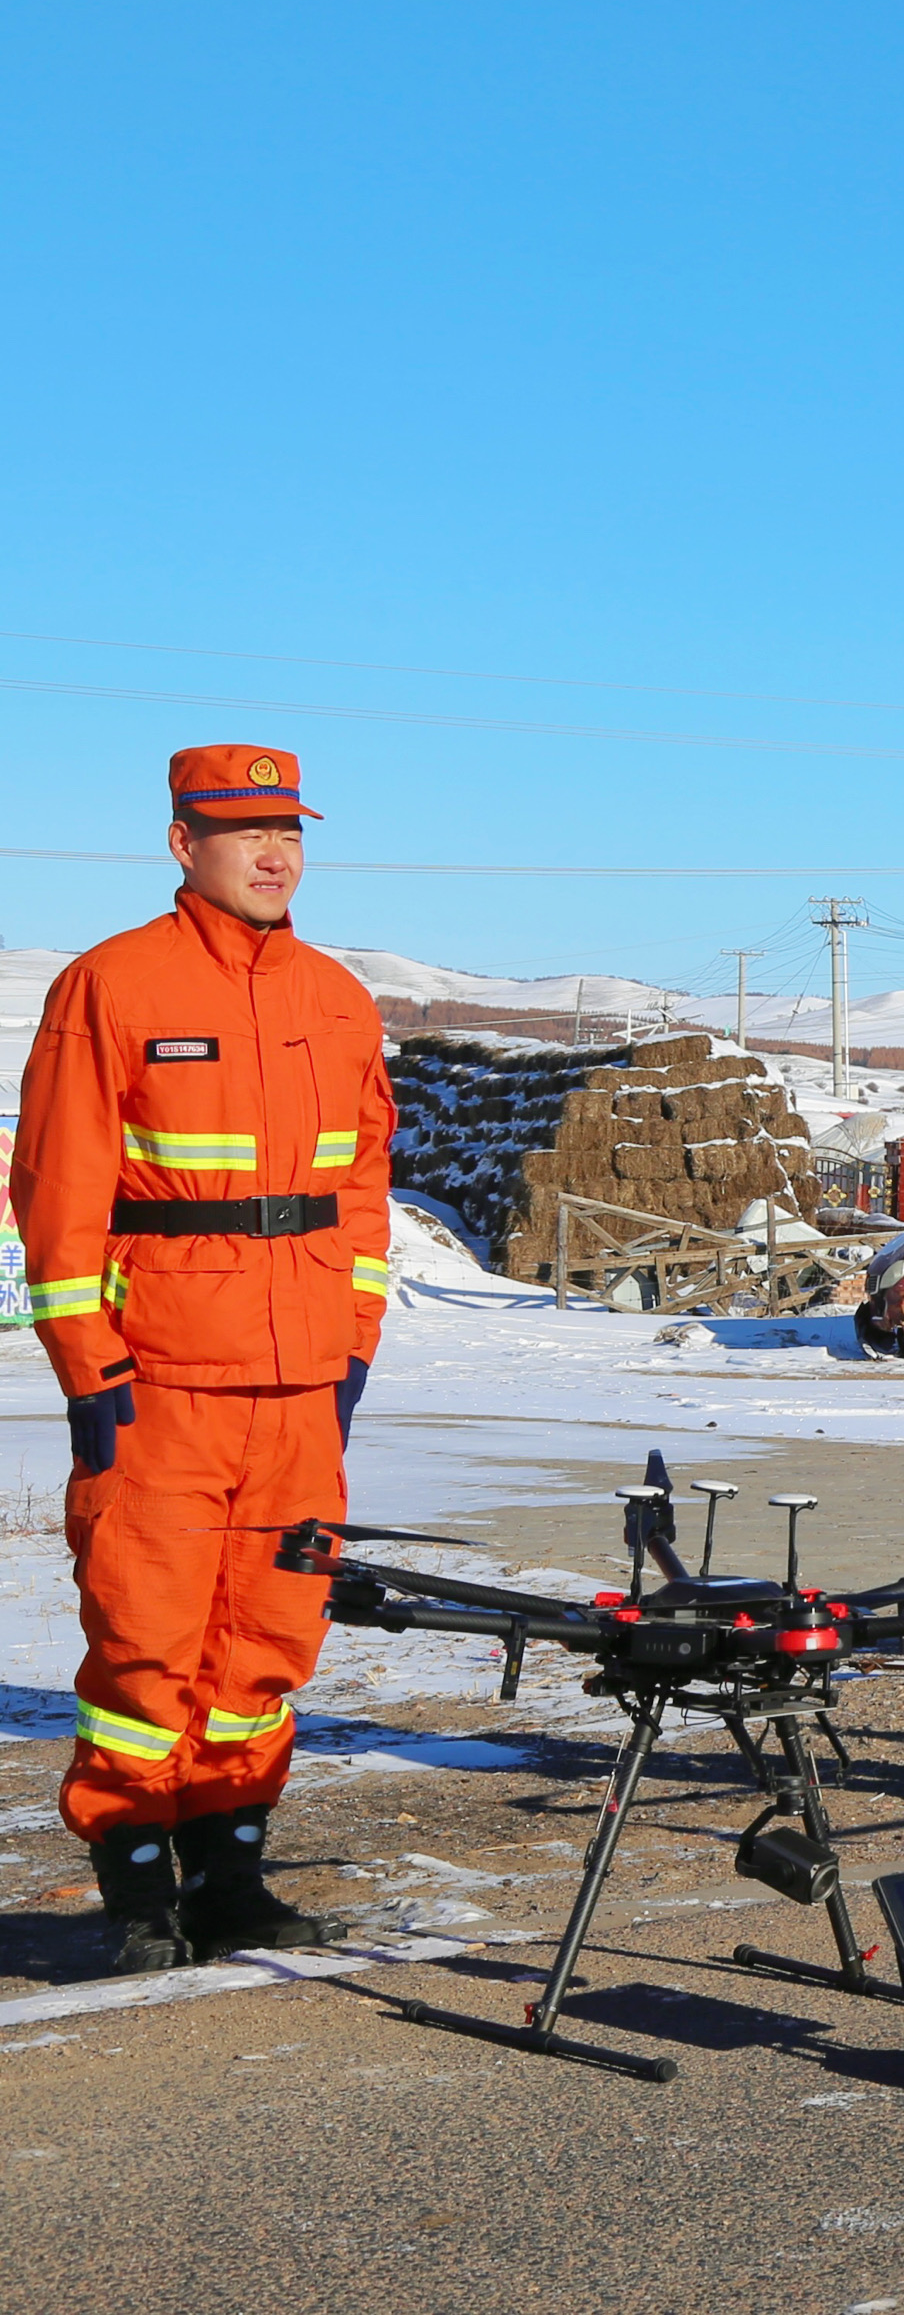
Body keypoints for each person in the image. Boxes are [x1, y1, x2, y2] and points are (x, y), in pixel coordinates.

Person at [11, 747, 391, 1970]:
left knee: (269, 1644)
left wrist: (355, 1345)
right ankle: (136, 1890)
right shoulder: (111, 985)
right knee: (146, 1640)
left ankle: (232, 1878)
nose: (276, 853)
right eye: (246, 833)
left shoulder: (338, 996)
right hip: (160, 1380)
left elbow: (365, 1186)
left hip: (300, 1387)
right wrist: (88, 1367)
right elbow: (55, 1188)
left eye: (289, 831)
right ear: (185, 844)